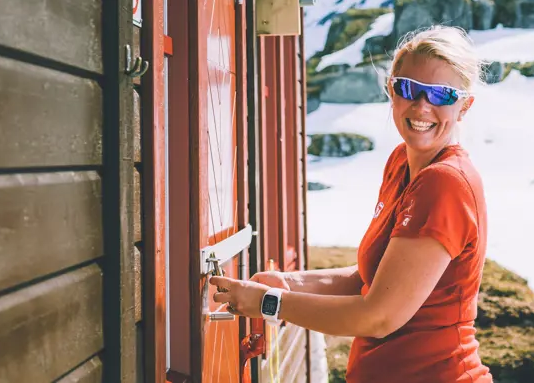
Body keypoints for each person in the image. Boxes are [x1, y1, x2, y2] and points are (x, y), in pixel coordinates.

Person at [210, 24, 492, 383]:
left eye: (442, 95)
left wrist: (271, 302)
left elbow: (380, 315)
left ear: (464, 106)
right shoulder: (402, 165)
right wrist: (288, 283)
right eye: (409, 88)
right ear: (392, 90)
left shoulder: (445, 182)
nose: (422, 106)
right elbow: (372, 279)